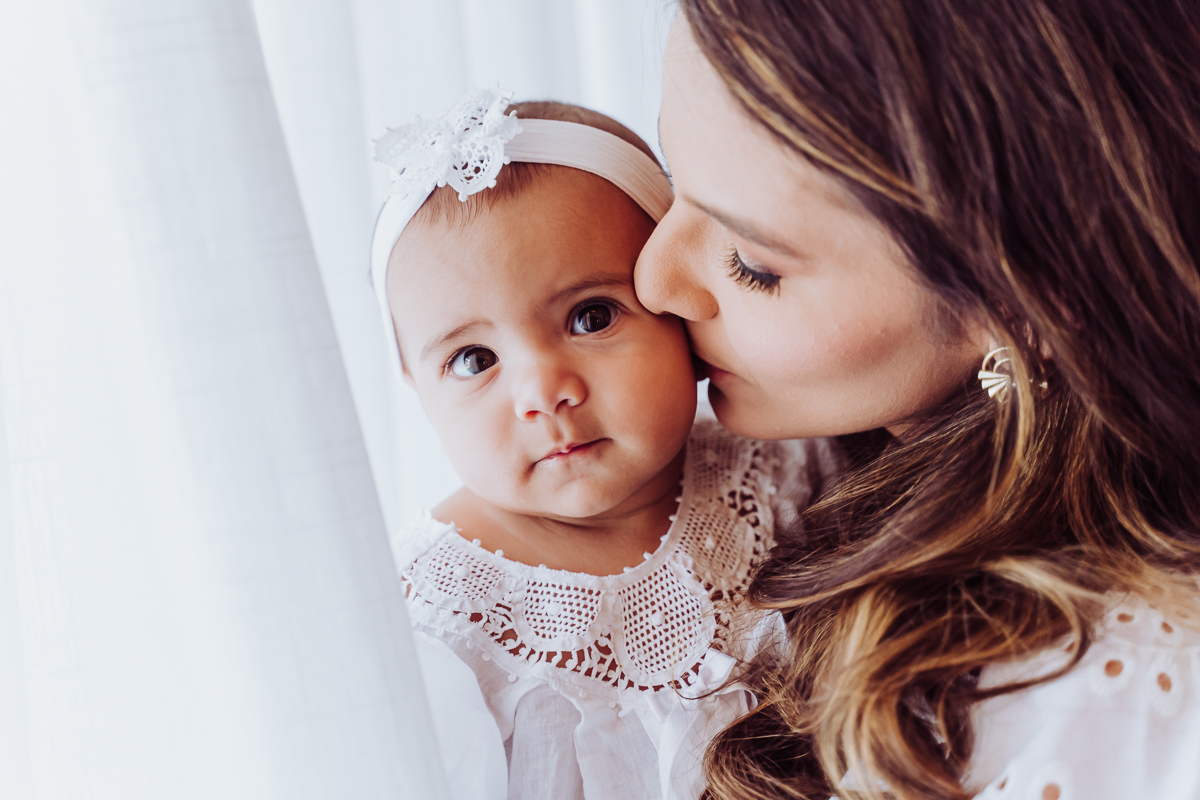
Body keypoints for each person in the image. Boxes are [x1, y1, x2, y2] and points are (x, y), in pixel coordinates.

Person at [634, 1, 1200, 798]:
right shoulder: (757, 463)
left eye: (753, 264)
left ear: (1023, 304)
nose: (652, 281)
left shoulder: (1105, 702)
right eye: (669, 175)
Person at [370, 88, 836, 800]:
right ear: (414, 387)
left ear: (674, 300)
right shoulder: (440, 628)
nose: (543, 392)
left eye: (591, 317)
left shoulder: (783, 465)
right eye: (474, 360)